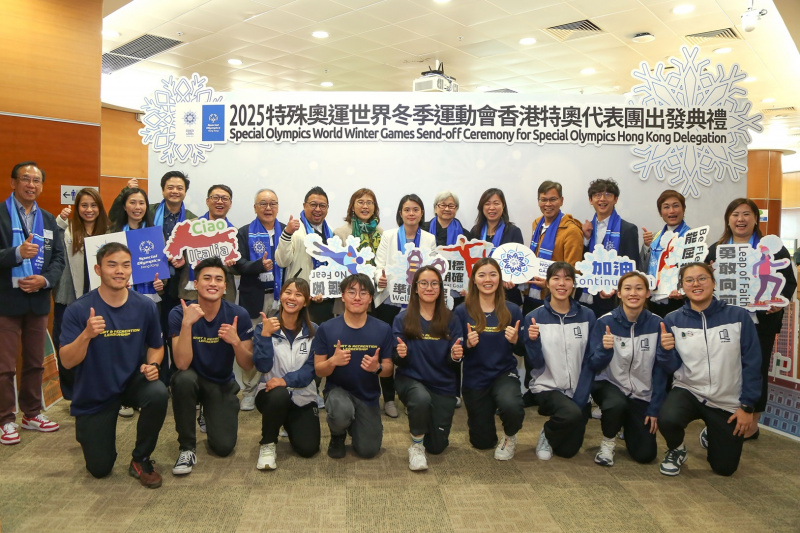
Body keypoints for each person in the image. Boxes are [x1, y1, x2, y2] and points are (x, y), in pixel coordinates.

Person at [59, 243, 167, 487]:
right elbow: (66, 360)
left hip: (131, 382)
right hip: (95, 390)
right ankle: (92, 435)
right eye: (112, 264)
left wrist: (153, 364)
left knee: (158, 392)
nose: (120, 270)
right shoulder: (79, 310)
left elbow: (156, 346)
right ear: (98, 269)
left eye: (126, 265)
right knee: (99, 469)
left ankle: (141, 458)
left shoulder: (145, 306)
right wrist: (86, 334)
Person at [704, 198, 796, 440]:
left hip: (761, 322)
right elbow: (703, 285)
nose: (741, 219)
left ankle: (752, 423)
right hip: (726, 322)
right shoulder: (716, 249)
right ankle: (725, 417)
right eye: (735, 214)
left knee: (757, 369)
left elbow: (789, 283)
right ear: (728, 219)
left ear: (756, 219)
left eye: (746, 214)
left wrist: (779, 302)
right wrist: (709, 273)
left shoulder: (772, 248)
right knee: (727, 369)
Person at [657, 262, 761, 476]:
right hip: (689, 390)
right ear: (682, 286)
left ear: (713, 282)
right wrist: (666, 351)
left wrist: (747, 407)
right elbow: (671, 367)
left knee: (725, 469)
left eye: (702, 278)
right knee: (667, 417)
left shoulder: (739, 317)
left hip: (727, 399)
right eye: (689, 280)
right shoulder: (673, 320)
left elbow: (753, 363)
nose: (696, 284)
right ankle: (676, 449)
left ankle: (712, 434)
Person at [169, 257, 254, 476]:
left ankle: (208, 411)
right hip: (193, 380)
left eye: (219, 279)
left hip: (221, 383)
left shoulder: (238, 314)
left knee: (224, 448)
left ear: (225, 286)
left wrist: (235, 341)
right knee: (183, 379)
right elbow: (181, 363)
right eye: (206, 278)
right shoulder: (179, 313)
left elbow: (247, 366)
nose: (213, 283)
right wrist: (187, 324)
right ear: (195, 284)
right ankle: (187, 448)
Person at [110, 172, 197, 385]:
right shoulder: (148, 210)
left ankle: (172, 380)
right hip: (150, 283)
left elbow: (195, 249)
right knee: (147, 335)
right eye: (170, 187)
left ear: (185, 191)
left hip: (178, 283)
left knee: (171, 334)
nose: (175, 191)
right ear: (163, 189)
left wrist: (184, 260)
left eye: (179, 187)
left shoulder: (192, 219)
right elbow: (118, 215)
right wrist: (125, 190)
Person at [0, 162, 65, 446]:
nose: (31, 184)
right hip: (6, 301)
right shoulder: (1, 214)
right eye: (25, 179)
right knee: (4, 365)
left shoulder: (49, 220)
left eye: (36, 180)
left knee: (36, 362)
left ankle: (31, 413)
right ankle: (4, 419)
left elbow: (59, 259)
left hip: (38, 301)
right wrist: (16, 253)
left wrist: (45, 281)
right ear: (13, 182)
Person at [581, 271, 666, 467]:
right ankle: (608, 442)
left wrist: (655, 408)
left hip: (641, 393)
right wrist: (604, 349)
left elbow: (662, 371)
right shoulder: (605, 322)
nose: (633, 293)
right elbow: (593, 364)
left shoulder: (658, 324)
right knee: (616, 404)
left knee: (646, 455)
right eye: (627, 289)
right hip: (610, 384)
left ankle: (627, 424)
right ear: (619, 293)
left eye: (639, 288)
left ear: (647, 293)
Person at [312, 273, 394, 459]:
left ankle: (356, 424)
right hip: (337, 392)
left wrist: (377, 368)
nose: (357, 297)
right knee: (341, 411)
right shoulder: (327, 328)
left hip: (367, 396)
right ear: (342, 296)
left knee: (368, 450)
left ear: (370, 298)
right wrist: (333, 361)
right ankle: (338, 434)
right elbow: (319, 369)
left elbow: (389, 370)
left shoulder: (383, 329)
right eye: (352, 292)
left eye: (363, 293)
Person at [523, 261, 595, 461]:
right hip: (547, 386)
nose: (561, 283)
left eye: (567, 278)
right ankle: (547, 433)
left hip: (578, 389)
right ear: (547, 283)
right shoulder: (534, 317)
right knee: (571, 414)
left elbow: (591, 359)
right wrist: (532, 341)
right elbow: (535, 363)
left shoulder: (587, 315)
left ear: (574, 284)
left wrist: (583, 394)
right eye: (556, 278)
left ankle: (565, 419)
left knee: (568, 451)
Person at [453, 258, 524, 460]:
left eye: (493, 274)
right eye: (482, 275)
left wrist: (517, 340)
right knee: (482, 443)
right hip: (475, 378)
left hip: (504, 373)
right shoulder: (461, 311)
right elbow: (454, 353)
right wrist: (467, 344)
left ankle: (510, 437)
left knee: (511, 406)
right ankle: (484, 414)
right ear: (474, 280)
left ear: (499, 278)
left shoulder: (513, 310)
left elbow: (524, 350)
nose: (487, 279)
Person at [393, 266, 462, 471]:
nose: (429, 288)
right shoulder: (402, 318)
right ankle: (415, 447)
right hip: (411, 380)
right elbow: (396, 357)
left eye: (434, 283)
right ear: (415, 288)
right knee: (420, 399)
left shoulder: (451, 318)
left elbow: (455, 357)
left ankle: (424, 423)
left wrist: (455, 356)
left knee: (437, 446)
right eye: (423, 283)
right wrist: (401, 354)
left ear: (440, 288)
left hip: (442, 384)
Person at [373, 193, 436, 418]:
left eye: (415, 209)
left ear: (421, 213)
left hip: (417, 303)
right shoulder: (389, 236)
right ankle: (388, 398)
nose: (411, 213)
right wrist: (378, 277)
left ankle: (412, 398)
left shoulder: (429, 239)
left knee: (414, 349)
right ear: (400, 213)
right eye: (407, 209)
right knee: (388, 351)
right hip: (389, 301)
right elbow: (378, 264)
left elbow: (433, 270)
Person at [252, 278, 319, 470]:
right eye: (288, 292)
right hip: (270, 393)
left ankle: (286, 422)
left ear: (305, 301)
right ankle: (268, 444)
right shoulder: (263, 327)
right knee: (279, 395)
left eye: (299, 294)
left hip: (303, 396)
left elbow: (310, 370)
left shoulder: (315, 331)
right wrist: (265, 336)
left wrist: (285, 380)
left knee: (308, 449)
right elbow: (262, 367)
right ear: (280, 296)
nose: (292, 298)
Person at [52, 188, 111, 401]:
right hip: (69, 298)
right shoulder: (66, 230)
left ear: (100, 208)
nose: (89, 210)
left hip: (99, 297)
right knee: (67, 343)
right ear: (77, 208)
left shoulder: (108, 231)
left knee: (98, 345)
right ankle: (71, 393)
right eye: (84, 205)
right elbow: (50, 241)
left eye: (93, 205)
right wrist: (60, 220)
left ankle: (97, 389)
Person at [235, 188, 285, 412]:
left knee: (282, 345)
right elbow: (238, 264)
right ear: (255, 207)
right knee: (254, 344)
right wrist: (259, 266)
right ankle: (249, 391)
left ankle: (275, 386)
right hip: (255, 298)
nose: (268, 208)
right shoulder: (244, 233)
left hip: (282, 299)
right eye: (263, 204)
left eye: (273, 203)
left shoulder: (286, 231)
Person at [580, 178, 641, 318]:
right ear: (590, 200)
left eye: (608, 194)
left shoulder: (628, 229)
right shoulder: (585, 229)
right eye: (597, 195)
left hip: (616, 299)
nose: (602, 199)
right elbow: (580, 263)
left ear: (616, 199)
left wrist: (613, 288)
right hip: (588, 297)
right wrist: (586, 239)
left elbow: (632, 267)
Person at [276, 186, 335, 324]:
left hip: (324, 299)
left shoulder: (331, 231)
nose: (318, 209)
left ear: (327, 208)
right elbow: (281, 262)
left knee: (320, 341)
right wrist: (287, 234)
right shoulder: (294, 230)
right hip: (298, 298)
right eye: (313, 205)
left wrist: (325, 292)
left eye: (322, 206)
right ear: (304, 206)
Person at [176, 184, 237, 303]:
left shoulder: (234, 232)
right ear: (207, 201)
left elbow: (239, 268)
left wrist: (233, 265)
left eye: (225, 198)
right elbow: (177, 255)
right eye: (215, 197)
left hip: (223, 296)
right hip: (191, 294)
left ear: (230, 204)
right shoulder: (189, 226)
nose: (220, 202)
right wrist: (179, 260)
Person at [332, 188, 384, 316]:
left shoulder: (381, 233)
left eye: (369, 203)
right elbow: (335, 268)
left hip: (375, 297)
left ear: (374, 208)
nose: (365, 206)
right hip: (348, 299)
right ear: (352, 207)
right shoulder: (340, 233)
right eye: (360, 202)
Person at [641, 190, 691, 317]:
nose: (671, 211)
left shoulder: (692, 236)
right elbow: (643, 267)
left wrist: (683, 290)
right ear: (660, 212)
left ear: (683, 209)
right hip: (654, 298)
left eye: (676, 206)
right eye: (666, 207)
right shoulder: (655, 237)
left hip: (680, 299)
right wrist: (647, 246)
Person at [471, 188, 524, 304]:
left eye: (496, 203)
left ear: (503, 206)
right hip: (480, 294)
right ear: (482, 207)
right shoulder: (475, 231)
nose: (491, 208)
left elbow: (520, 263)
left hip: (506, 295)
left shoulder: (513, 231)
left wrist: (513, 280)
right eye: (487, 204)